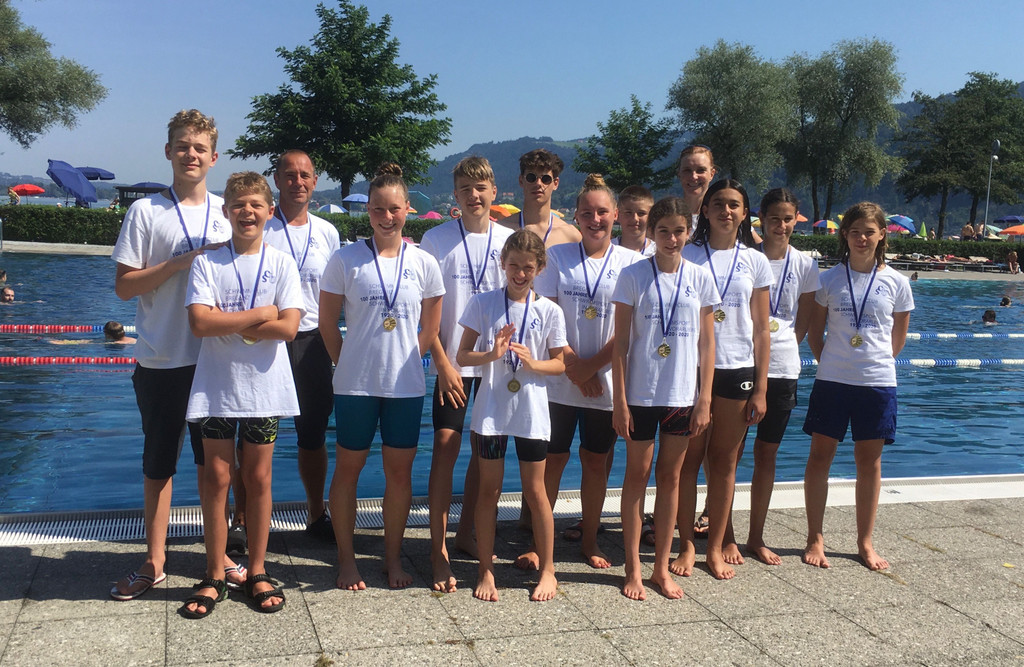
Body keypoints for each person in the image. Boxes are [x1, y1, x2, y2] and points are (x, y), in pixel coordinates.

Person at [110, 109, 234, 601]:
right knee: (159, 463)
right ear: (168, 151)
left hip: (215, 360)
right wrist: (179, 263)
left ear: (214, 157)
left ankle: (217, 556)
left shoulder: (228, 211)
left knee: (215, 467)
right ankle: (155, 559)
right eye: (183, 145)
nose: (191, 154)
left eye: (200, 148)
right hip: (162, 357)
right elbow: (124, 287)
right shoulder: (146, 212)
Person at [180, 171, 302, 618]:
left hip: (263, 389)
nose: (247, 212)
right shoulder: (208, 263)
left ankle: (257, 569)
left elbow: (289, 329)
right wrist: (261, 313)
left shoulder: (282, 263)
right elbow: (200, 323)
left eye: (255, 204)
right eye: (238, 205)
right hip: (217, 386)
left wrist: (229, 320)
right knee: (216, 477)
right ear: (226, 211)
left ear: (270, 211)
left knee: (259, 477)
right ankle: (215, 572)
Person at [319, 163, 444, 591]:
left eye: (394, 209)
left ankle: (392, 559)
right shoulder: (346, 259)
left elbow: (431, 327)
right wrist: (347, 363)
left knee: (399, 475)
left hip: (404, 387)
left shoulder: (424, 262)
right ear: (368, 211)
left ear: (408, 209)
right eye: (377, 209)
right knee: (348, 470)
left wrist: (407, 360)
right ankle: (346, 560)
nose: (386, 217)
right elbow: (326, 324)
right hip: (354, 386)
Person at [533, 174, 642, 570]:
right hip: (559, 382)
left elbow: (629, 329)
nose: (595, 220)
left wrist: (591, 369)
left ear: (616, 215)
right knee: (551, 461)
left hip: (605, 383)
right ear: (576, 217)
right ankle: (538, 544)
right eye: (587, 213)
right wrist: (576, 368)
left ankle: (590, 539)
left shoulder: (632, 264)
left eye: (602, 212)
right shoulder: (557, 258)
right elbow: (545, 319)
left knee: (596, 462)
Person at [611, 196, 717, 599]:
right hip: (641, 391)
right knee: (637, 475)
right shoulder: (633, 275)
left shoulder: (700, 278)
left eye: (678, 231)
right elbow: (620, 345)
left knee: (671, 477)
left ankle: (660, 567)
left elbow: (708, 345)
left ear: (688, 232)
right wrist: (619, 401)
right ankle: (633, 568)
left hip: (680, 393)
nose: (671, 239)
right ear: (652, 233)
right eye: (663, 231)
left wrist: (704, 398)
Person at [419, 156, 513, 593]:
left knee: (484, 452)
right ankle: (437, 550)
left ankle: (465, 533)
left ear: (494, 191)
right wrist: (441, 363)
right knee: (445, 445)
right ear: (454, 195)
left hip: (494, 365)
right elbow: (426, 312)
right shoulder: (436, 239)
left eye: (481, 188)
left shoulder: (509, 240)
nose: (474, 196)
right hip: (453, 363)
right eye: (465, 189)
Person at [456, 230, 567, 602]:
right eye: (514, 265)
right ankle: (485, 570)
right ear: (503, 263)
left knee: (536, 492)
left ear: (540, 268)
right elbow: (462, 355)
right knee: (489, 491)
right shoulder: (483, 302)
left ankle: (548, 569)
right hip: (491, 413)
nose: (520, 273)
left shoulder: (549, 311)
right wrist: (491, 354)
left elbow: (560, 363)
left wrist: (533, 363)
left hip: (531, 413)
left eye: (528, 268)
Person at [803, 202, 914, 572]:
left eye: (869, 231)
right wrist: (834, 362)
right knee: (820, 457)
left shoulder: (897, 282)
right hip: (832, 380)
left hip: (877, 382)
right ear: (845, 235)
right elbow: (815, 335)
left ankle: (865, 541)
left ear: (882, 234)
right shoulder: (829, 280)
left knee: (869, 463)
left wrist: (872, 362)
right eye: (855, 232)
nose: (862, 238)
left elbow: (898, 339)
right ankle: (815, 536)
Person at [679, 179, 773, 580]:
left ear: (745, 212)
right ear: (705, 210)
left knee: (724, 462)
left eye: (734, 205)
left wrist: (762, 387)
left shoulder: (755, 261)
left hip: (737, 368)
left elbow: (761, 329)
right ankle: (686, 544)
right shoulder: (687, 253)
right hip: (691, 368)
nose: (726, 211)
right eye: (718, 204)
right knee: (688, 460)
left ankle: (715, 547)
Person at [261, 149, 341, 542]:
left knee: (313, 432)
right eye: (290, 175)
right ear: (277, 180)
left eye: (305, 175)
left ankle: (315, 511)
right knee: (255, 433)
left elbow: (336, 292)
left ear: (315, 181)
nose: (298, 182)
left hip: (312, 341)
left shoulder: (327, 232)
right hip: (267, 339)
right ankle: (243, 518)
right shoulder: (261, 225)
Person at [745, 189, 820, 565]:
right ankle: (724, 533)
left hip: (783, 369)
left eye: (788, 218)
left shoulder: (805, 264)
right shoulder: (747, 259)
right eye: (774, 218)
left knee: (766, 452)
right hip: (742, 364)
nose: (781, 225)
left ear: (796, 219)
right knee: (727, 453)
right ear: (761, 218)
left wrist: (781, 346)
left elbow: (802, 323)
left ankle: (755, 535)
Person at [500, 149, 581, 247]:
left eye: (545, 179)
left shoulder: (571, 236)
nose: (538, 183)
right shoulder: (501, 230)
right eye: (531, 177)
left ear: (555, 183)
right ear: (521, 181)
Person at [613, 185, 656, 257]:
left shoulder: (658, 252)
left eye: (641, 213)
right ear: (617, 215)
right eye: (628, 213)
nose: (635, 218)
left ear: (651, 216)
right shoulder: (606, 250)